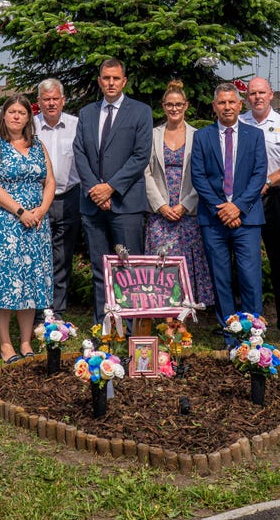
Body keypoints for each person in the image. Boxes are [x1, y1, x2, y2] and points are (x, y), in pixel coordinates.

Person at [73, 58, 153, 324]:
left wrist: (110, 189)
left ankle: (130, 328)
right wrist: (96, 190)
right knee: (100, 269)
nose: (110, 83)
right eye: (106, 78)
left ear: (124, 81)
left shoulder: (140, 112)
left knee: (128, 269)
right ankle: (104, 327)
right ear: (99, 81)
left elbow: (140, 156)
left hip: (125, 204)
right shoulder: (87, 113)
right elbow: (80, 153)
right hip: (93, 205)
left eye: (116, 78)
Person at [0, 94, 55, 362]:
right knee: (5, 281)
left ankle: (25, 340)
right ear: (3, 115)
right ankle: (5, 343)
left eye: (22, 112)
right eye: (12, 112)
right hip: (4, 223)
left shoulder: (37, 145)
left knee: (31, 282)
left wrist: (41, 210)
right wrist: (20, 212)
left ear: (28, 118)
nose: (17, 116)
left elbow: (50, 181)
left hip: (36, 224)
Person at [190, 82, 267, 345]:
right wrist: (220, 208)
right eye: (221, 102)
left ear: (240, 104)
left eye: (231, 102)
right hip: (214, 219)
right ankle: (230, 333)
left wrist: (239, 206)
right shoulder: (202, 137)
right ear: (214, 106)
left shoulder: (254, 135)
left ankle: (252, 331)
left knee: (249, 276)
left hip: (247, 218)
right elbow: (198, 177)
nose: (227, 107)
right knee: (220, 277)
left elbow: (259, 175)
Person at [240, 76, 280, 347]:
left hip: (275, 196)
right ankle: (246, 324)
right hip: (245, 200)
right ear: (247, 97)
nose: (257, 98)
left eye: (262, 93)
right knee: (246, 262)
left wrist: (265, 183)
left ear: (271, 94)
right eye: (252, 94)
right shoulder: (239, 122)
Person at [144, 80, 213, 307]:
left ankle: (184, 311)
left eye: (179, 104)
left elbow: (203, 174)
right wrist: (161, 205)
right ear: (163, 106)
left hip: (188, 210)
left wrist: (184, 204)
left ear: (186, 106)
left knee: (186, 260)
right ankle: (161, 309)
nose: (174, 109)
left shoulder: (198, 136)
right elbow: (146, 172)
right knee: (160, 260)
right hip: (160, 211)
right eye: (170, 104)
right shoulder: (153, 135)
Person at [34, 78, 80, 319]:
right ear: (38, 102)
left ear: (63, 100)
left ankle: (57, 310)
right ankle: (37, 310)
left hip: (68, 198)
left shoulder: (76, 125)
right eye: (46, 99)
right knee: (38, 255)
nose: (51, 103)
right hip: (37, 200)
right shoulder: (30, 127)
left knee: (62, 255)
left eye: (55, 99)